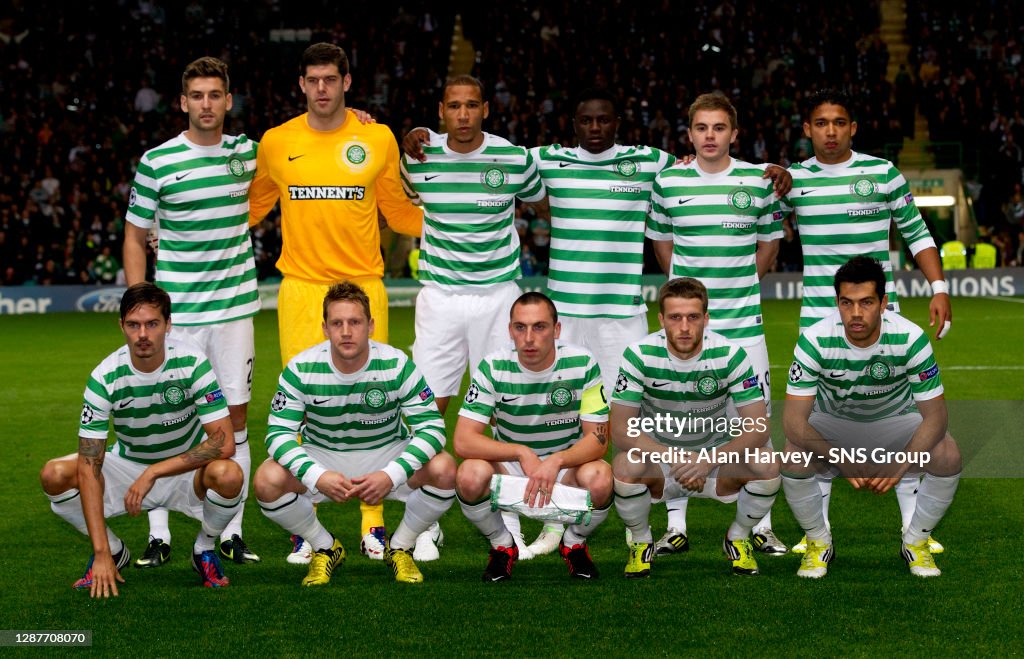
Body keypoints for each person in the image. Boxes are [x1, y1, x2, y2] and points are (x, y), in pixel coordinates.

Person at [248, 43, 424, 562]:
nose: (322, 88)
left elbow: (399, 208)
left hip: (365, 286)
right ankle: (307, 529)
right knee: (303, 413)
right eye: (312, 80)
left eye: (331, 79)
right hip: (301, 291)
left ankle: (374, 522)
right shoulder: (277, 142)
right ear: (300, 84)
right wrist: (184, 236)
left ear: (348, 81)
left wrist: (466, 216)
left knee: (377, 408)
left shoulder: (376, 137)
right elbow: (251, 207)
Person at [782, 89, 953, 553]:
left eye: (839, 122)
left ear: (853, 128)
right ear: (807, 129)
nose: (831, 131)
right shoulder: (791, 180)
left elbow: (916, 231)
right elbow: (749, 212)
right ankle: (816, 534)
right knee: (816, 419)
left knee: (898, 412)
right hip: (818, 317)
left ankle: (912, 527)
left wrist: (938, 288)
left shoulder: (882, 172)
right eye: (821, 122)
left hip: (880, 312)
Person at [123, 56, 261, 570]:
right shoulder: (158, 160)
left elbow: (307, 145)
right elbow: (136, 235)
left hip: (233, 314)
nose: (206, 104)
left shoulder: (249, 155)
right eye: (196, 96)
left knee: (236, 422)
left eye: (215, 95)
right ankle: (159, 534)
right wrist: (142, 303)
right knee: (168, 420)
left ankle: (231, 532)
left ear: (229, 100)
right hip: (177, 315)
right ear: (183, 103)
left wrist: (354, 116)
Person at [646, 93, 787, 555]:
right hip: (686, 331)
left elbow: (768, 244)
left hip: (744, 328)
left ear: (734, 133)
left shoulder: (758, 181)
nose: (710, 136)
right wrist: (684, 294)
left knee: (755, 425)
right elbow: (663, 245)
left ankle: (757, 525)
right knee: (678, 422)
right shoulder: (668, 182)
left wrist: (742, 283)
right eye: (701, 128)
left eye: (719, 128)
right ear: (689, 135)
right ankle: (675, 523)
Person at [39, 283, 244, 596]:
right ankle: (114, 550)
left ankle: (204, 549)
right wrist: (101, 553)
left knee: (229, 474)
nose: (143, 334)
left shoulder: (192, 364)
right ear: (121, 326)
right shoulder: (105, 376)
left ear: (168, 325)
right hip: (127, 467)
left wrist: (154, 471)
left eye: (152, 324)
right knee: (54, 474)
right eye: (133, 325)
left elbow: (224, 442)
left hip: (183, 470)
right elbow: (90, 463)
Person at [253, 282, 456, 585]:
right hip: (324, 455)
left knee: (445, 468)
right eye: (337, 323)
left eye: (355, 322)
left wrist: (391, 474)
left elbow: (432, 428)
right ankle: (325, 546)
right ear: (325, 328)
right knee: (266, 480)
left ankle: (400, 547)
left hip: (386, 452)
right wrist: (315, 476)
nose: (346, 331)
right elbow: (278, 435)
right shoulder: (301, 368)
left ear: (371, 326)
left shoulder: (397, 364)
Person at [781, 256, 961, 578]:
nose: (856, 313)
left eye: (866, 303)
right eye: (847, 303)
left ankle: (916, 542)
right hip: (835, 425)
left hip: (894, 423)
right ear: (837, 302)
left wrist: (902, 463)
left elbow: (936, 418)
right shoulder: (814, 339)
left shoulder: (910, 338)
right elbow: (793, 422)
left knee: (947, 453)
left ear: (883, 303)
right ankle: (819, 542)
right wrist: (840, 458)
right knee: (792, 454)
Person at [610, 278, 780, 578]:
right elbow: (621, 430)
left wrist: (708, 459)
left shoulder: (730, 354)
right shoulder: (639, 354)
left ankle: (737, 537)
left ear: (706, 318)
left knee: (767, 462)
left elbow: (758, 427)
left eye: (693, 317)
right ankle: (640, 542)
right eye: (675, 317)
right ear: (661, 319)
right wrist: (673, 456)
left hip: (714, 466)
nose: (684, 327)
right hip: (662, 465)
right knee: (625, 465)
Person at [399, 75, 545, 419]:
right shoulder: (417, 159)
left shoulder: (513, 159)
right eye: (454, 106)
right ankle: (423, 475)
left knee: (503, 410)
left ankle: (505, 474)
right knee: (425, 412)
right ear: (441, 111)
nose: (463, 114)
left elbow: (546, 206)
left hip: (497, 297)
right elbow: (406, 200)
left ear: (486, 110)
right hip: (440, 298)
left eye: (471, 105)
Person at [453, 292, 613, 581]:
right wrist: (520, 452)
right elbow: (463, 440)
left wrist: (558, 460)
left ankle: (573, 543)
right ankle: (502, 546)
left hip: (563, 469)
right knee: (469, 475)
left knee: (601, 478)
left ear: (557, 330)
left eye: (539, 326)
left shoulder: (582, 363)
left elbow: (599, 439)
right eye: (520, 327)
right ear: (510, 330)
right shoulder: (493, 367)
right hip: (512, 469)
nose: (529, 337)